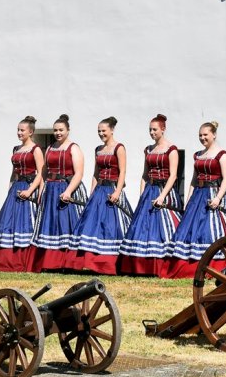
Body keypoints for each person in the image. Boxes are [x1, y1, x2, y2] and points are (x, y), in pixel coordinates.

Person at [169, 121, 226, 278]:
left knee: (210, 230)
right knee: (190, 228)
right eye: (200, 135)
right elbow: (194, 180)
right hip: (198, 196)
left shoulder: (222, 155)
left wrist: (218, 198)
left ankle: (215, 265)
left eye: (205, 135)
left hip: (214, 193)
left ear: (214, 134)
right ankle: (188, 266)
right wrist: (187, 200)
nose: (202, 138)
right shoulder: (198, 155)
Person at [66, 117, 133, 274]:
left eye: (103, 130)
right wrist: (92, 192)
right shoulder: (98, 149)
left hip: (112, 189)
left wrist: (117, 191)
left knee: (110, 225)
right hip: (99, 191)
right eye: (99, 131)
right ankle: (90, 262)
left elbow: (122, 171)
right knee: (91, 225)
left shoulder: (119, 148)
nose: (101, 133)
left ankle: (109, 263)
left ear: (111, 130)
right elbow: (96, 173)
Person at [119, 114, 182, 277]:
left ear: (163, 129)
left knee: (161, 228)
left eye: (155, 129)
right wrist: (142, 193)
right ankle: (138, 266)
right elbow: (145, 174)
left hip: (164, 190)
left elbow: (173, 176)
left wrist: (162, 196)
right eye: (150, 130)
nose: (152, 132)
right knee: (142, 227)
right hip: (149, 190)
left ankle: (160, 266)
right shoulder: (148, 149)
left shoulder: (171, 149)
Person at [0, 116, 43, 273]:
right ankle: (3, 260)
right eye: (18, 129)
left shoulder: (36, 150)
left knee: (26, 223)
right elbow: (13, 173)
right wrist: (9, 188)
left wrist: (30, 191)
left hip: (29, 188)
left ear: (31, 132)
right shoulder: (16, 149)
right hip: (16, 188)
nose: (19, 132)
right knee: (7, 222)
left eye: (22, 130)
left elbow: (41, 173)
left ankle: (24, 260)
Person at [30, 114, 87, 271]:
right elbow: (44, 173)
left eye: (61, 130)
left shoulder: (74, 148)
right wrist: (42, 191)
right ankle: (49, 263)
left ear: (68, 130)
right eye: (55, 130)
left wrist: (68, 191)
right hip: (51, 189)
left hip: (67, 188)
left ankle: (68, 263)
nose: (58, 133)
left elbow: (79, 173)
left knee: (66, 224)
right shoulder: (49, 148)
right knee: (50, 223)